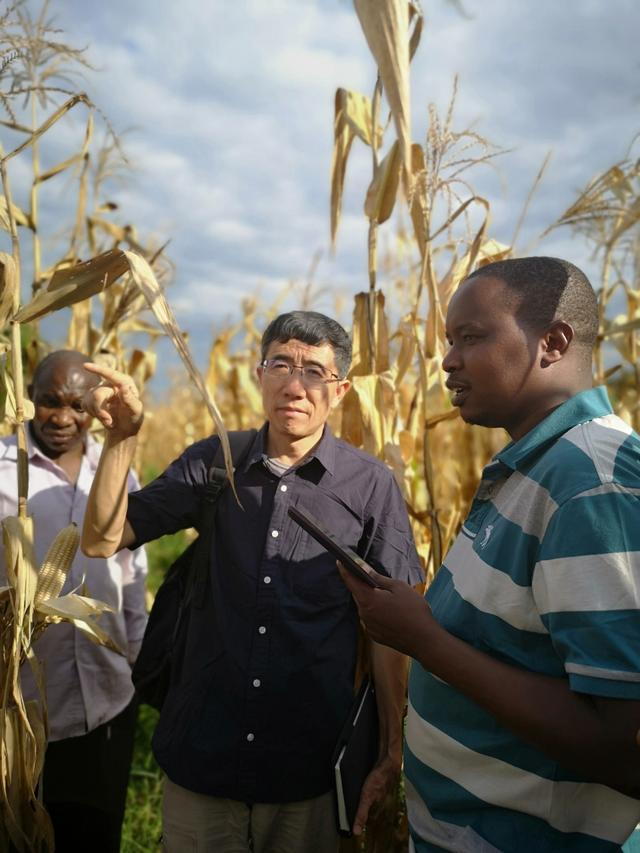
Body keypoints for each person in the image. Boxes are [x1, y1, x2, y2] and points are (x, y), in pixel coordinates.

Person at [81, 310, 423, 853]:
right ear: (258, 373)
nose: (294, 384)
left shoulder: (370, 487)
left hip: (306, 768)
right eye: (281, 364)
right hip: (202, 753)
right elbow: (102, 539)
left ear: (340, 390)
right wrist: (122, 438)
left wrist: (388, 752)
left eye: (313, 371)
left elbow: (388, 630)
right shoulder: (215, 461)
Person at [338, 257, 640, 852]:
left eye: (471, 338)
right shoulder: (539, 467)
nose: (448, 360)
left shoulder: (589, 486)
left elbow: (623, 745)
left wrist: (424, 641)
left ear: (552, 343)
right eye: (450, 341)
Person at [0, 350, 148, 853]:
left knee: (93, 835)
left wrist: (137, 660)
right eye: (48, 402)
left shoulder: (118, 472)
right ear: (30, 401)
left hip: (107, 701)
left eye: (77, 406)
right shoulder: (4, 469)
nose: (62, 418)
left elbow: (132, 576)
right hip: (18, 707)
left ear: (96, 409)